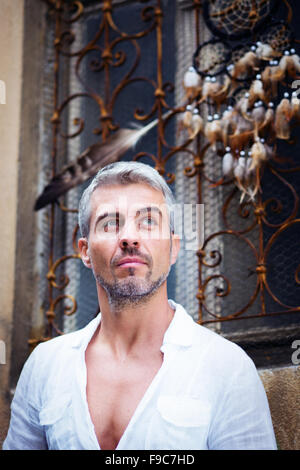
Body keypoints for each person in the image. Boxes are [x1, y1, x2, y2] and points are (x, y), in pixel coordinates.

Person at [3, 161, 277, 450]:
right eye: (110, 223)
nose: (129, 238)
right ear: (84, 251)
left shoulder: (227, 367)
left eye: (148, 221)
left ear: (173, 248)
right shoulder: (45, 365)